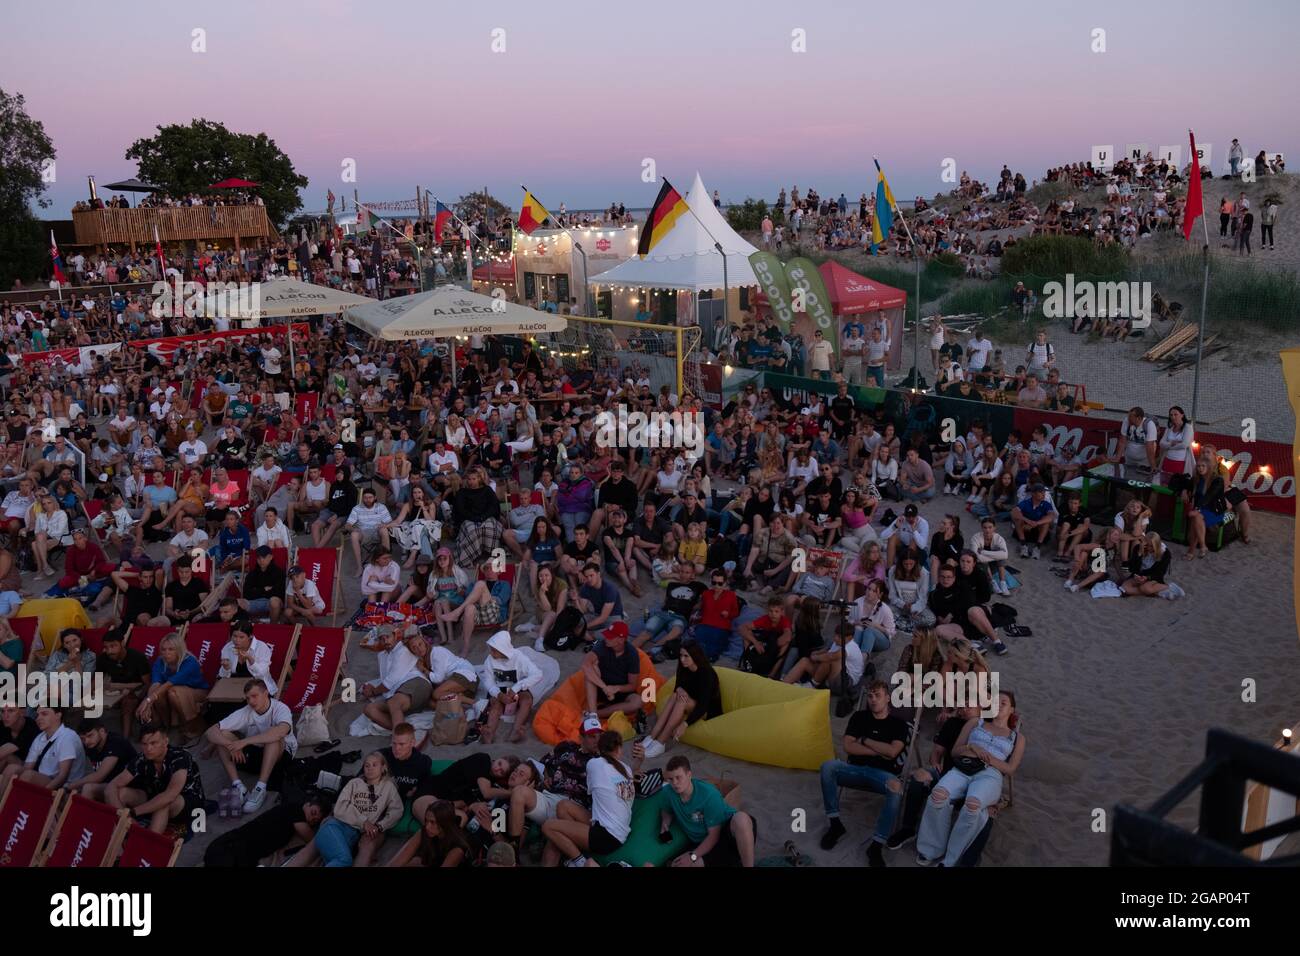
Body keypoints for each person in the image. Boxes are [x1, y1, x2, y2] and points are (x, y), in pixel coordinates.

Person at [916, 691, 1025, 867]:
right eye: (996, 701)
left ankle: (950, 859)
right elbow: (955, 751)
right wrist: (972, 746)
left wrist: (988, 757)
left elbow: (1010, 769)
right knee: (937, 795)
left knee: (973, 805)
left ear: (1012, 710)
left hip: (990, 774)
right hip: (963, 768)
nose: (998, 704)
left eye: (1003, 703)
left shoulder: (1017, 737)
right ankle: (931, 849)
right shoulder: (976, 723)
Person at [817, 680, 910, 867]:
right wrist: (879, 751)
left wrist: (865, 740)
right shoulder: (859, 717)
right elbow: (848, 746)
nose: (873, 700)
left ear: (888, 698)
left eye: (878, 695)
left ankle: (876, 845)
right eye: (870, 696)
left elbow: (893, 752)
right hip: (855, 769)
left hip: (883, 775)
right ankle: (835, 825)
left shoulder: (899, 725)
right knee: (828, 766)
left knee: (896, 787)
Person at [290, 751, 403, 867]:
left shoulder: (388, 788)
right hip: (335, 827)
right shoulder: (354, 783)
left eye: (375, 765)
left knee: (342, 861)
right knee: (344, 860)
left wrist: (380, 826)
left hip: (351, 838)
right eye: (367, 765)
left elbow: (397, 811)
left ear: (383, 768)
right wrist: (364, 822)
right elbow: (340, 807)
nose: (370, 768)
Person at [541, 730, 635, 867]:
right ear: (619, 748)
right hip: (616, 830)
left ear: (600, 748)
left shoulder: (594, 764)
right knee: (563, 806)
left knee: (548, 827)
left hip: (606, 836)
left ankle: (579, 861)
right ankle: (574, 846)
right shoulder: (627, 769)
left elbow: (591, 791)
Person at [206, 678, 296, 813]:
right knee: (222, 736)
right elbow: (211, 731)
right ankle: (238, 786)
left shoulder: (280, 708)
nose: (251, 702)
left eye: (254, 696)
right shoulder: (246, 711)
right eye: (248, 698)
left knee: (273, 737)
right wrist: (230, 745)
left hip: (280, 756)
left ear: (265, 693)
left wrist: (244, 742)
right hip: (256, 754)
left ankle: (260, 788)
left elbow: (281, 731)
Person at [105, 724, 206, 834]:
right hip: (154, 796)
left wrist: (134, 812)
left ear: (165, 741)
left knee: (162, 804)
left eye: (154, 743)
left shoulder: (180, 757)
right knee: (121, 793)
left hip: (187, 803)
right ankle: (129, 829)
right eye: (144, 744)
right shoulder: (141, 759)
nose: (148, 748)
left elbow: (170, 795)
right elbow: (113, 785)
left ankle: (149, 844)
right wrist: (124, 816)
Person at [658, 755, 757, 867]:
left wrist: (693, 856)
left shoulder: (708, 794)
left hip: (728, 835)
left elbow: (713, 835)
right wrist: (665, 823)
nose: (675, 783)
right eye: (671, 779)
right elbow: (666, 810)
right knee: (679, 865)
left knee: (741, 819)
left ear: (689, 775)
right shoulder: (668, 792)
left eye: (678, 777)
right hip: (706, 847)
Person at [203, 790, 332, 867]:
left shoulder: (296, 815)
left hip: (244, 852)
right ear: (308, 804)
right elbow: (312, 839)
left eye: (314, 821)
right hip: (229, 847)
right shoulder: (295, 810)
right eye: (313, 813)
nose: (311, 819)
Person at [641, 641, 721, 759]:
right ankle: (652, 736)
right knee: (676, 696)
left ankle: (661, 742)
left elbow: (703, 705)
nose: (682, 659)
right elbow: (677, 687)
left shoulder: (707, 674)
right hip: (690, 703)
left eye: (686, 656)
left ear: (695, 656)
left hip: (707, 710)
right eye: (681, 655)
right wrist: (679, 689)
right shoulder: (683, 668)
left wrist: (685, 724)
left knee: (681, 700)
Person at [137, 633, 210, 738]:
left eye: (171, 649)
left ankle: (188, 725)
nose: (166, 653)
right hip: (171, 691)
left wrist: (147, 700)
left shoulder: (190, 661)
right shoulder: (159, 662)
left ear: (179, 649)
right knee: (159, 692)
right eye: (163, 649)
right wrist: (148, 703)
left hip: (198, 691)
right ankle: (166, 726)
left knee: (173, 692)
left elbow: (170, 683)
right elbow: (155, 684)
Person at [0, 706, 86, 791]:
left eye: (44, 714)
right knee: (12, 768)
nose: (38, 718)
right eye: (37, 715)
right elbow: (27, 767)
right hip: (44, 778)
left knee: (28, 775)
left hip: (64, 786)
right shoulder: (40, 738)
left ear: (58, 715)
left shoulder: (68, 737)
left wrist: (44, 793)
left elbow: (62, 776)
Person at [480, 630, 543, 744]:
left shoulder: (518, 657)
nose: (491, 653)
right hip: (497, 690)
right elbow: (488, 682)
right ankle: (489, 733)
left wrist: (516, 688)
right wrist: (499, 695)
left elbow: (537, 674)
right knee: (496, 706)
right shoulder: (489, 660)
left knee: (527, 700)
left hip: (516, 687)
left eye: (494, 650)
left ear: (503, 650)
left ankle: (516, 730)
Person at [580, 620, 643, 720]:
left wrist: (616, 688)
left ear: (621, 640)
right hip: (601, 687)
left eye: (610, 636)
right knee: (592, 669)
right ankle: (592, 715)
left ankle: (595, 714)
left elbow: (632, 685)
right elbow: (585, 665)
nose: (606, 638)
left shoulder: (632, 654)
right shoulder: (602, 645)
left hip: (620, 691)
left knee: (637, 702)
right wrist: (605, 687)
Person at [387, 800, 473, 868]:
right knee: (415, 862)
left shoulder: (457, 847)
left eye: (432, 822)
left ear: (444, 824)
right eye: (426, 821)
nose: (427, 826)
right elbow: (400, 859)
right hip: (431, 861)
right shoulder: (425, 831)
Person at [1182, 455, 1227, 560]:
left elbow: (1209, 496)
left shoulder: (1217, 480)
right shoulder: (1197, 479)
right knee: (1197, 518)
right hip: (1201, 509)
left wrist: (1197, 509)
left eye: (1203, 466)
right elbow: (1186, 483)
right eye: (1198, 466)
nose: (1200, 468)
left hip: (1214, 510)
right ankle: (1202, 546)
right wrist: (1184, 490)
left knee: (1196, 518)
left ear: (1209, 467)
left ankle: (1192, 551)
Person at [1010, 483, 1056, 560]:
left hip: (1039, 529)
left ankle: (1038, 547)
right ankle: (1023, 545)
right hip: (1026, 528)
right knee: (1018, 519)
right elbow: (1014, 512)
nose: (1043, 494)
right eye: (1041, 492)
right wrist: (1027, 521)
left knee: (1046, 522)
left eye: (1044, 492)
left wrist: (1036, 523)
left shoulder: (1046, 504)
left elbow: (1051, 516)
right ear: (1033, 494)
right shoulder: (1026, 502)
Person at [1121, 532, 1173, 598]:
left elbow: (1160, 573)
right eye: (1147, 545)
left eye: (1151, 546)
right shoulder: (1138, 548)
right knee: (1124, 588)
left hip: (1153, 577)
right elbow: (1132, 569)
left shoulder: (1165, 554)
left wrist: (1147, 578)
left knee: (1145, 588)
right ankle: (1156, 592)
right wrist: (1139, 554)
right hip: (1139, 576)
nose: (1148, 548)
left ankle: (1169, 587)